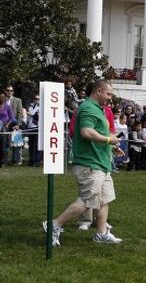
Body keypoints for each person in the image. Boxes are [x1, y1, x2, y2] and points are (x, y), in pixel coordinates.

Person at [42, 80, 124, 245]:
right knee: (87, 201)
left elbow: (98, 133)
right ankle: (54, 225)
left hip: (100, 163)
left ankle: (101, 234)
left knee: (104, 199)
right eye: (108, 94)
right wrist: (109, 140)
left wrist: (112, 147)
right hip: (90, 164)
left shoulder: (98, 109)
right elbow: (86, 132)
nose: (110, 98)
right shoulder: (87, 108)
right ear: (99, 91)